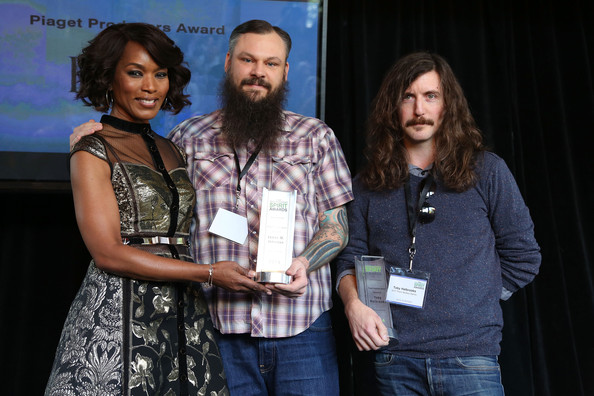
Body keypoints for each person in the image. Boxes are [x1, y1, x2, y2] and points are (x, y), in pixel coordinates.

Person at [71, 20, 353, 395]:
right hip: (216, 328)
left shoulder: (316, 137)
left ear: (285, 72)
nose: (258, 73)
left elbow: (336, 226)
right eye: (247, 60)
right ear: (227, 62)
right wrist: (95, 138)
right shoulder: (185, 139)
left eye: (271, 63)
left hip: (302, 327)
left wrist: (304, 264)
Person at [46, 22, 266, 396]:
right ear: (108, 78)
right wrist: (209, 273)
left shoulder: (173, 147)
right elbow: (108, 253)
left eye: (160, 74)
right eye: (135, 73)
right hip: (120, 317)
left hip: (185, 317)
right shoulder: (92, 149)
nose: (150, 86)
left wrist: (256, 237)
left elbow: (196, 220)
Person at [335, 51, 541, 395]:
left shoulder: (486, 171)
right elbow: (349, 258)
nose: (419, 110)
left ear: (447, 105)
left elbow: (524, 256)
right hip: (394, 359)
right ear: (392, 107)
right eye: (408, 97)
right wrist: (353, 305)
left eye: (430, 96)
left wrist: (474, 299)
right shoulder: (365, 184)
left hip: (471, 358)